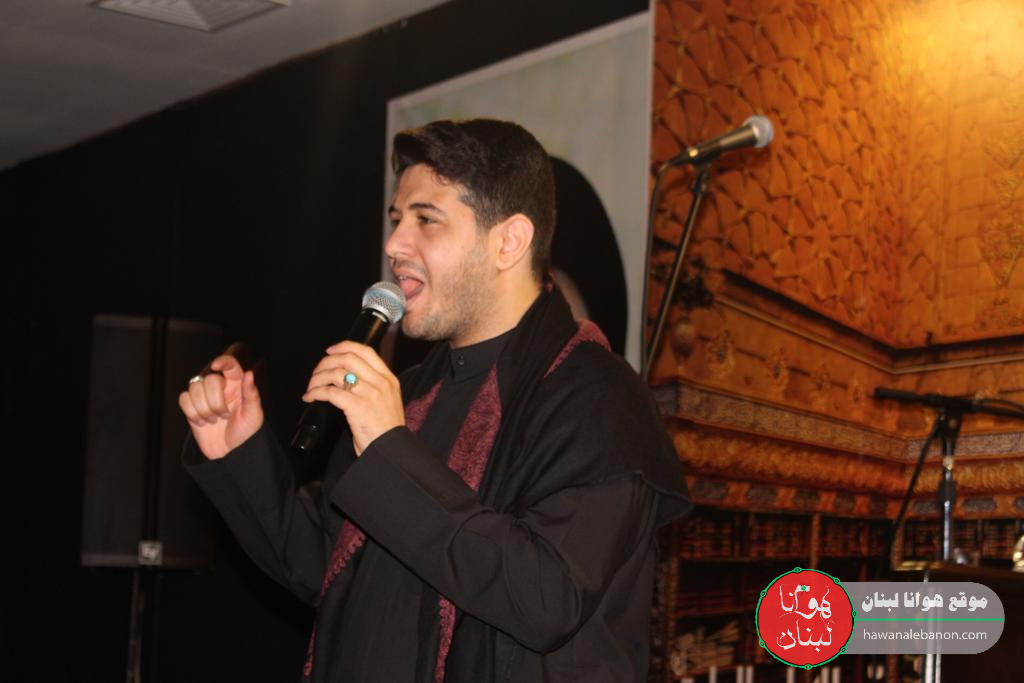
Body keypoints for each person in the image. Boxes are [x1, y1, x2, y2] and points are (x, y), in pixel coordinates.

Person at [179, 119, 691, 683]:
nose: (394, 245)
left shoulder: (598, 394)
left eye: (426, 219)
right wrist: (239, 452)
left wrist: (390, 451)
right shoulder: (412, 392)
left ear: (509, 242)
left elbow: (546, 598)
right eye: (396, 219)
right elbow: (326, 563)